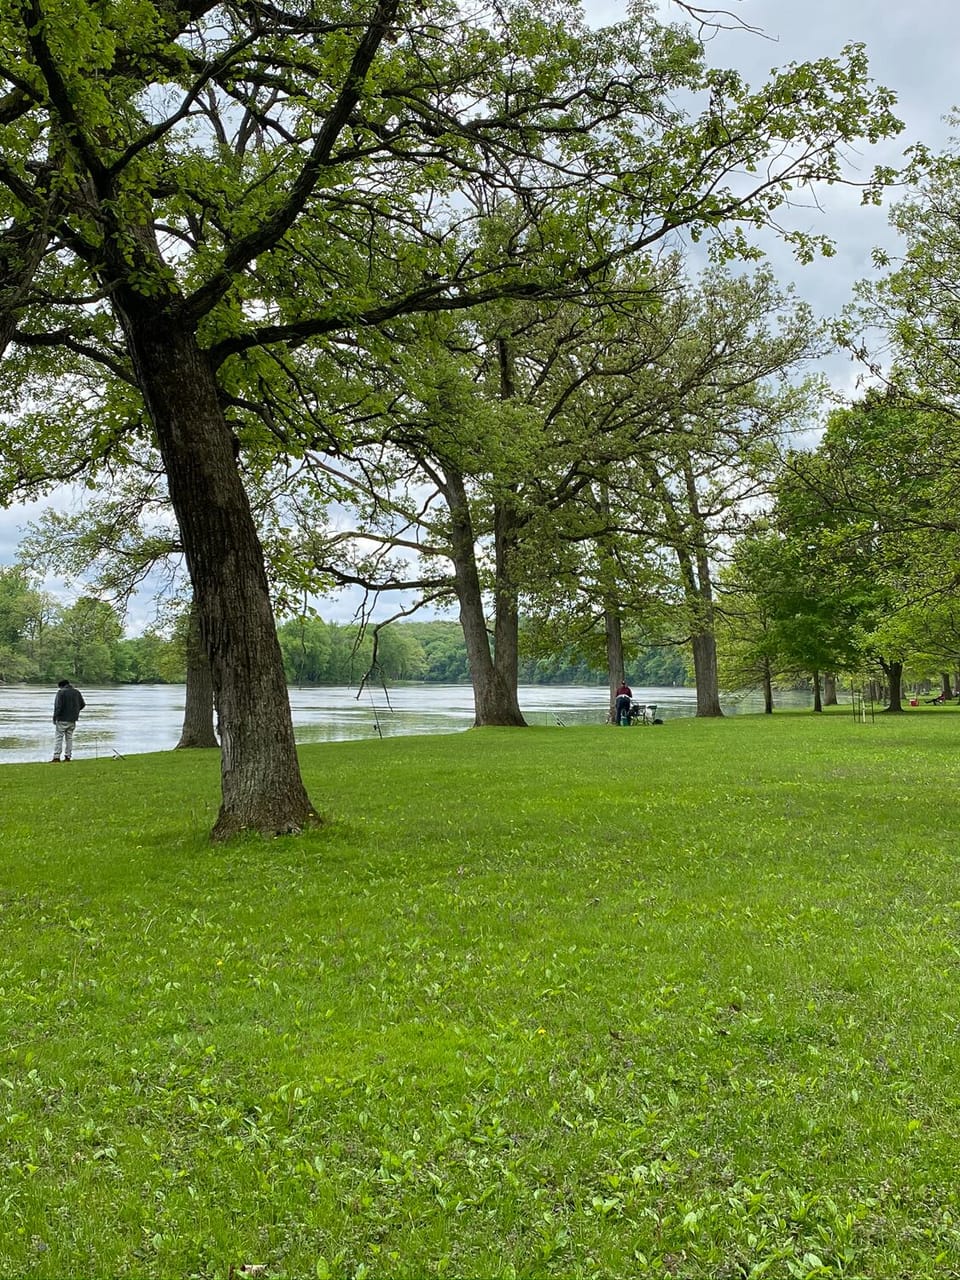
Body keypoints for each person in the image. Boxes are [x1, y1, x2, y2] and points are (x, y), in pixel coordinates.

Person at [51, 679, 85, 762]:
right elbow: (83, 704)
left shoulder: (61, 692)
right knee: (69, 738)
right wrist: (75, 711)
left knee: (59, 738)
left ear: (61, 686)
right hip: (72, 719)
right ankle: (68, 756)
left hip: (62, 719)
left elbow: (58, 707)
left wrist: (55, 717)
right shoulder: (77, 692)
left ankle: (56, 757)